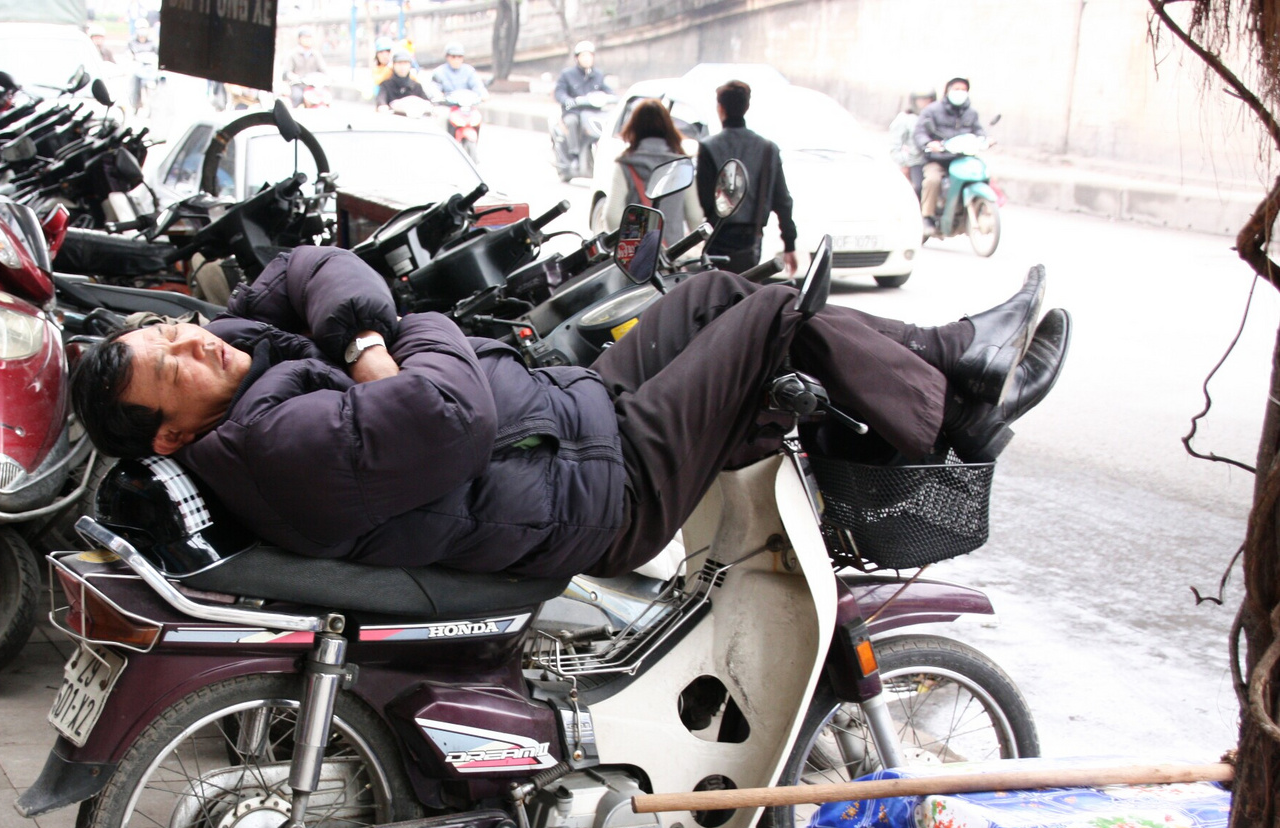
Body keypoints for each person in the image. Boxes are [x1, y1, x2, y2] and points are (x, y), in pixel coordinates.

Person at [70, 247, 1070, 585]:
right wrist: (403, 330)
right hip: (606, 489)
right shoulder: (273, 443)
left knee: (716, 290)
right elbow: (452, 413)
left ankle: (951, 368)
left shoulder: (244, 361)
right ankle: (960, 387)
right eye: (172, 372)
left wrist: (365, 337)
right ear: (171, 434)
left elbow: (308, 270)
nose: (196, 344)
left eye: (174, 336)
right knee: (771, 321)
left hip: (580, 416)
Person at [695, 80, 798, 275]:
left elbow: (706, 200)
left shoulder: (708, 147)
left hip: (718, 238)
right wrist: (789, 244)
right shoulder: (768, 149)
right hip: (751, 242)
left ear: (720, 108)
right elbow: (783, 201)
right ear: (747, 107)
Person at [602, 99, 703, 242]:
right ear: (668, 127)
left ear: (634, 128)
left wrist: (629, 241)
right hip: (672, 253)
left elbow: (612, 216)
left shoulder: (626, 165)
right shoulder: (681, 165)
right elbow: (694, 216)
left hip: (637, 256)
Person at [915, 77, 987, 232]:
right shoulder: (932, 110)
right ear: (947, 91)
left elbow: (978, 131)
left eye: (963, 90)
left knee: (984, 174)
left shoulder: (971, 113)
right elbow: (920, 133)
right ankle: (926, 217)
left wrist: (985, 139)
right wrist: (929, 143)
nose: (960, 93)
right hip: (938, 159)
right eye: (956, 89)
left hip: (962, 158)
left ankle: (980, 209)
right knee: (932, 180)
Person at [554, 40, 610, 179]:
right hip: (574, 112)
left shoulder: (598, 75)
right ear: (577, 58)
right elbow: (559, 92)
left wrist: (614, 97)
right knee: (572, 122)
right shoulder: (567, 74)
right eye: (583, 56)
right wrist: (567, 100)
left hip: (593, 112)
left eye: (589, 55)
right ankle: (574, 155)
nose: (586, 59)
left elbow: (608, 90)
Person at [890, 89, 935, 201]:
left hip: (932, 159)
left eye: (928, 101)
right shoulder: (905, 119)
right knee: (916, 189)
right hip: (913, 161)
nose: (924, 104)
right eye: (921, 101)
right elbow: (894, 147)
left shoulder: (934, 117)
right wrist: (904, 162)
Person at [282, 25, 326, 106]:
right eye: (305, 37)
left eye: (309, 37)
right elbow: (287, 72)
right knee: (296, 97)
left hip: (314, 86)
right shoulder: (293, 54)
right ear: (299, 39)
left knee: (324, 99)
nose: (307, 40)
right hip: (298, 85)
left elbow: (324, 70)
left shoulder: (316, 55)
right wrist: (292, 76)